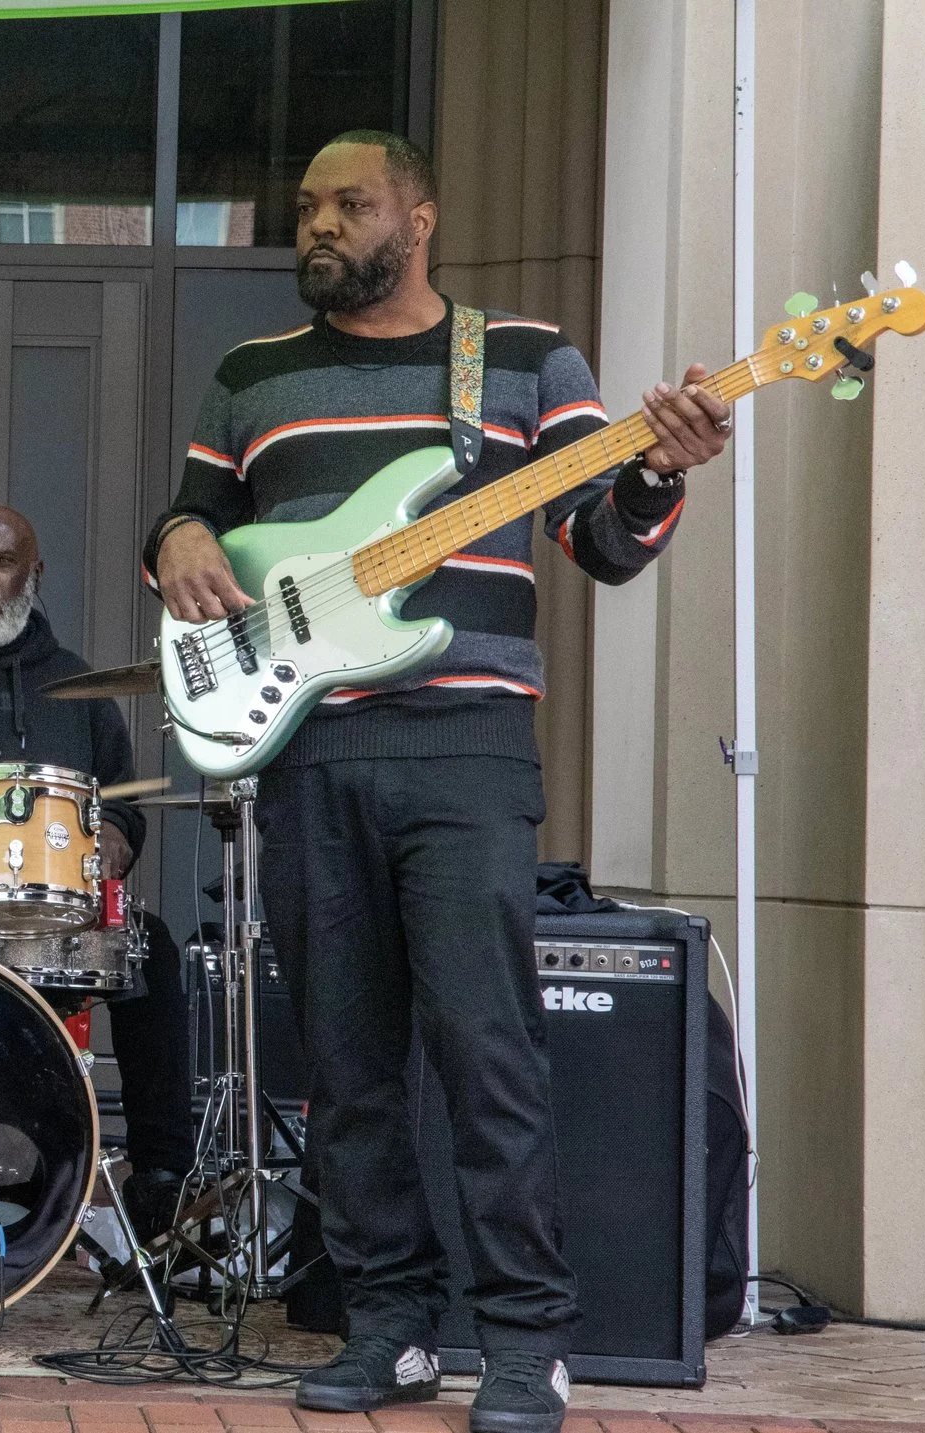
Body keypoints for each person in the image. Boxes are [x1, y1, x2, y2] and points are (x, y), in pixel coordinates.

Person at [146, 130, 728, 1433]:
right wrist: (176, 537)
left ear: (418, 220)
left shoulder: (525, 361)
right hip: (310, 750)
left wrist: (652, 469)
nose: (318, 222)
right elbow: (187, 524)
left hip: (467, 744)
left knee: (487, 1049)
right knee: (346, 1065)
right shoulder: (252, 376)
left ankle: (527, 1341)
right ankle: (390, 1328)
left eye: (348, 203)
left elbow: (602, 543)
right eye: (307, 205)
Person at [0, 505, 190, 1233]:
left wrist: (115, 840)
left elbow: (121, 805)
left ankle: (161, 1182)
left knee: (153, 949)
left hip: (54, 916)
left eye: (1, 561)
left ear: (34, 574)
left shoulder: (80, 686)